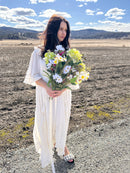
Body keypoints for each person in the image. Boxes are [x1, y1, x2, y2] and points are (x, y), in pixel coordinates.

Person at [23, 14, 79, 172]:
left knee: (60, 121)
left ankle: (63, 146)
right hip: (45, 95)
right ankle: (51, 145)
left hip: (62, 96)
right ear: (53, 30)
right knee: (47, 121)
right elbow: (34, 76)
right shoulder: (38, 53)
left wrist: (62, 88)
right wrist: (48, 88)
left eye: (66, 30)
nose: (63, 33)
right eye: (60, 29)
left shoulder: (68, 53)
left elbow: (73, 77)